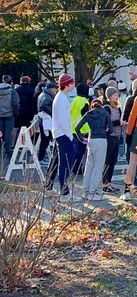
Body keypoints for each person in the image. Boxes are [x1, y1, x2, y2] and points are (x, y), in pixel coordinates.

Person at [75, 100, 113, 200]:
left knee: (89, 167)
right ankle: (94, 192)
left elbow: (77, 128)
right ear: (101, 106)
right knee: (98, 167)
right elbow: (111, 129)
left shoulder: (88, 114)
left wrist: (82, 139)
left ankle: (85, 192)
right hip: (101, 140)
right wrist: (105, 133)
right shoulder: (105, 113)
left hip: (90, 140)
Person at [51, 73, 78, 201]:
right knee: (65, 163)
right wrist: (69, 135)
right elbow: (62, 121)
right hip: (63, 134)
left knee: (63, 162)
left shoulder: (61, 97)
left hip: (61, 133)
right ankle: (64, 192)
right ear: (66, 85)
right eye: (71, 83)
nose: (73, 85)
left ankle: (64, 190)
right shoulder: (61, 98)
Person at [122, 78, 137, 189]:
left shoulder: (130, 99)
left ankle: (129, 184)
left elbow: (126, 116)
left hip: (132, 131)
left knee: (131, 158)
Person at [102, 87, 122, 193]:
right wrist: (118, 122)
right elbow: (107, 123)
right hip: (109, 137)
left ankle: (109, 182)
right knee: (108, 161)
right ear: (109, 96)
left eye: (117, 95)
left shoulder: (117, 107)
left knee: (113, 161)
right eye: (114, 95)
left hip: (117, 136)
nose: (117, 96)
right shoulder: (106, 107)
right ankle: (104, 184)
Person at [71, 82, 90, 175]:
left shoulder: (75, 100)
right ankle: (77, 168)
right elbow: (86, 116)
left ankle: (74, 167)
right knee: (81, 151)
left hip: (73, 128)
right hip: (83, 129)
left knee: (76, 149)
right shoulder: (84, 101)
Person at [37, 81, 58, 162]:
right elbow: (44, 105)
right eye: (56, 88)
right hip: (45, 121)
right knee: (45, 140)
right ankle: (40, 158)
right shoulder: (47, 96)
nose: (56, 90)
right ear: (51, 89)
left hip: (43, 120)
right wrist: (52, 114)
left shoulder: (44, 94)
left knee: (45, 139)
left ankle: (41, 157)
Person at [0, 75, 20, 157]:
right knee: (8, 134)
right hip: (9, 115)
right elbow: (15, 103)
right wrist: (15, 113)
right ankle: (7, 150)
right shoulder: (13, 91)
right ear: (10, 82)